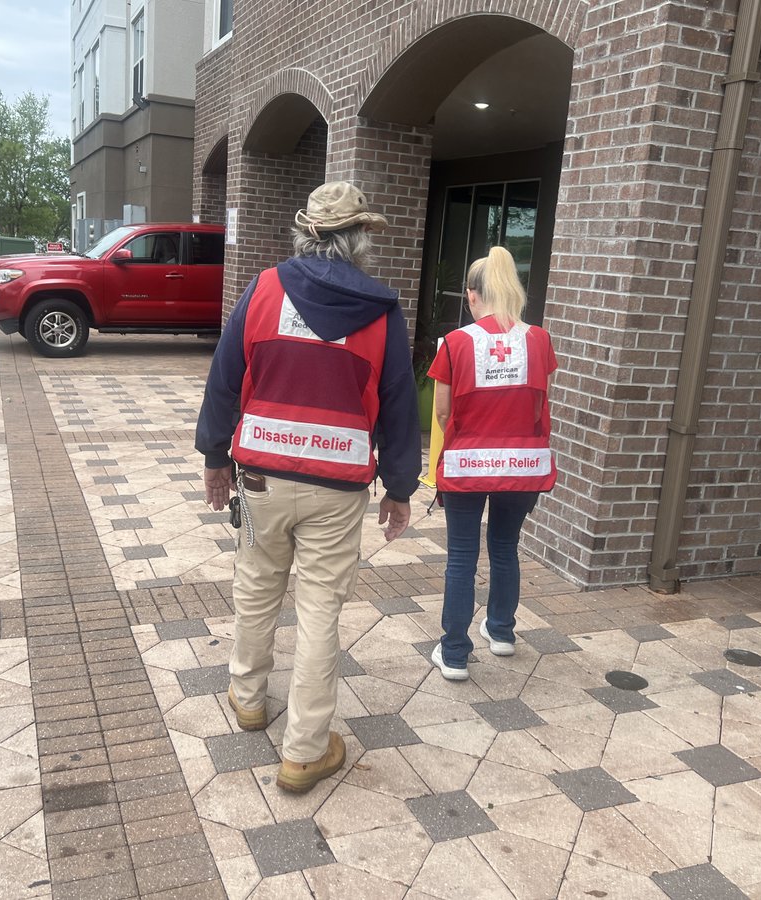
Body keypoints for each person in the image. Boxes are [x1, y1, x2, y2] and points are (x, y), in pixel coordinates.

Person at [196, 181, 421, 792]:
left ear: (305, 234)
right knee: (321, 610)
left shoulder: (264, 289)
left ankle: (248, 700)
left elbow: (225, 375)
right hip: (337, 487)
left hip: (262, 478)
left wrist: (215, 455)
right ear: (361, 238)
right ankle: (304, 751)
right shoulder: (382, 311)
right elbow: (399, 405)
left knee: (256, 587)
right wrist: (400, 488)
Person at [426, 245, 558, 681]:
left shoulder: (456, 343)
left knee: (462, 557)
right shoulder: (539, 340)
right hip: (522, 466)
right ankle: (501, 631)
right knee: (504, 547)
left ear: (472, 295)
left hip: (468, 464)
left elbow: (442, 412)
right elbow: (538, 401)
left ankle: (454, 654)